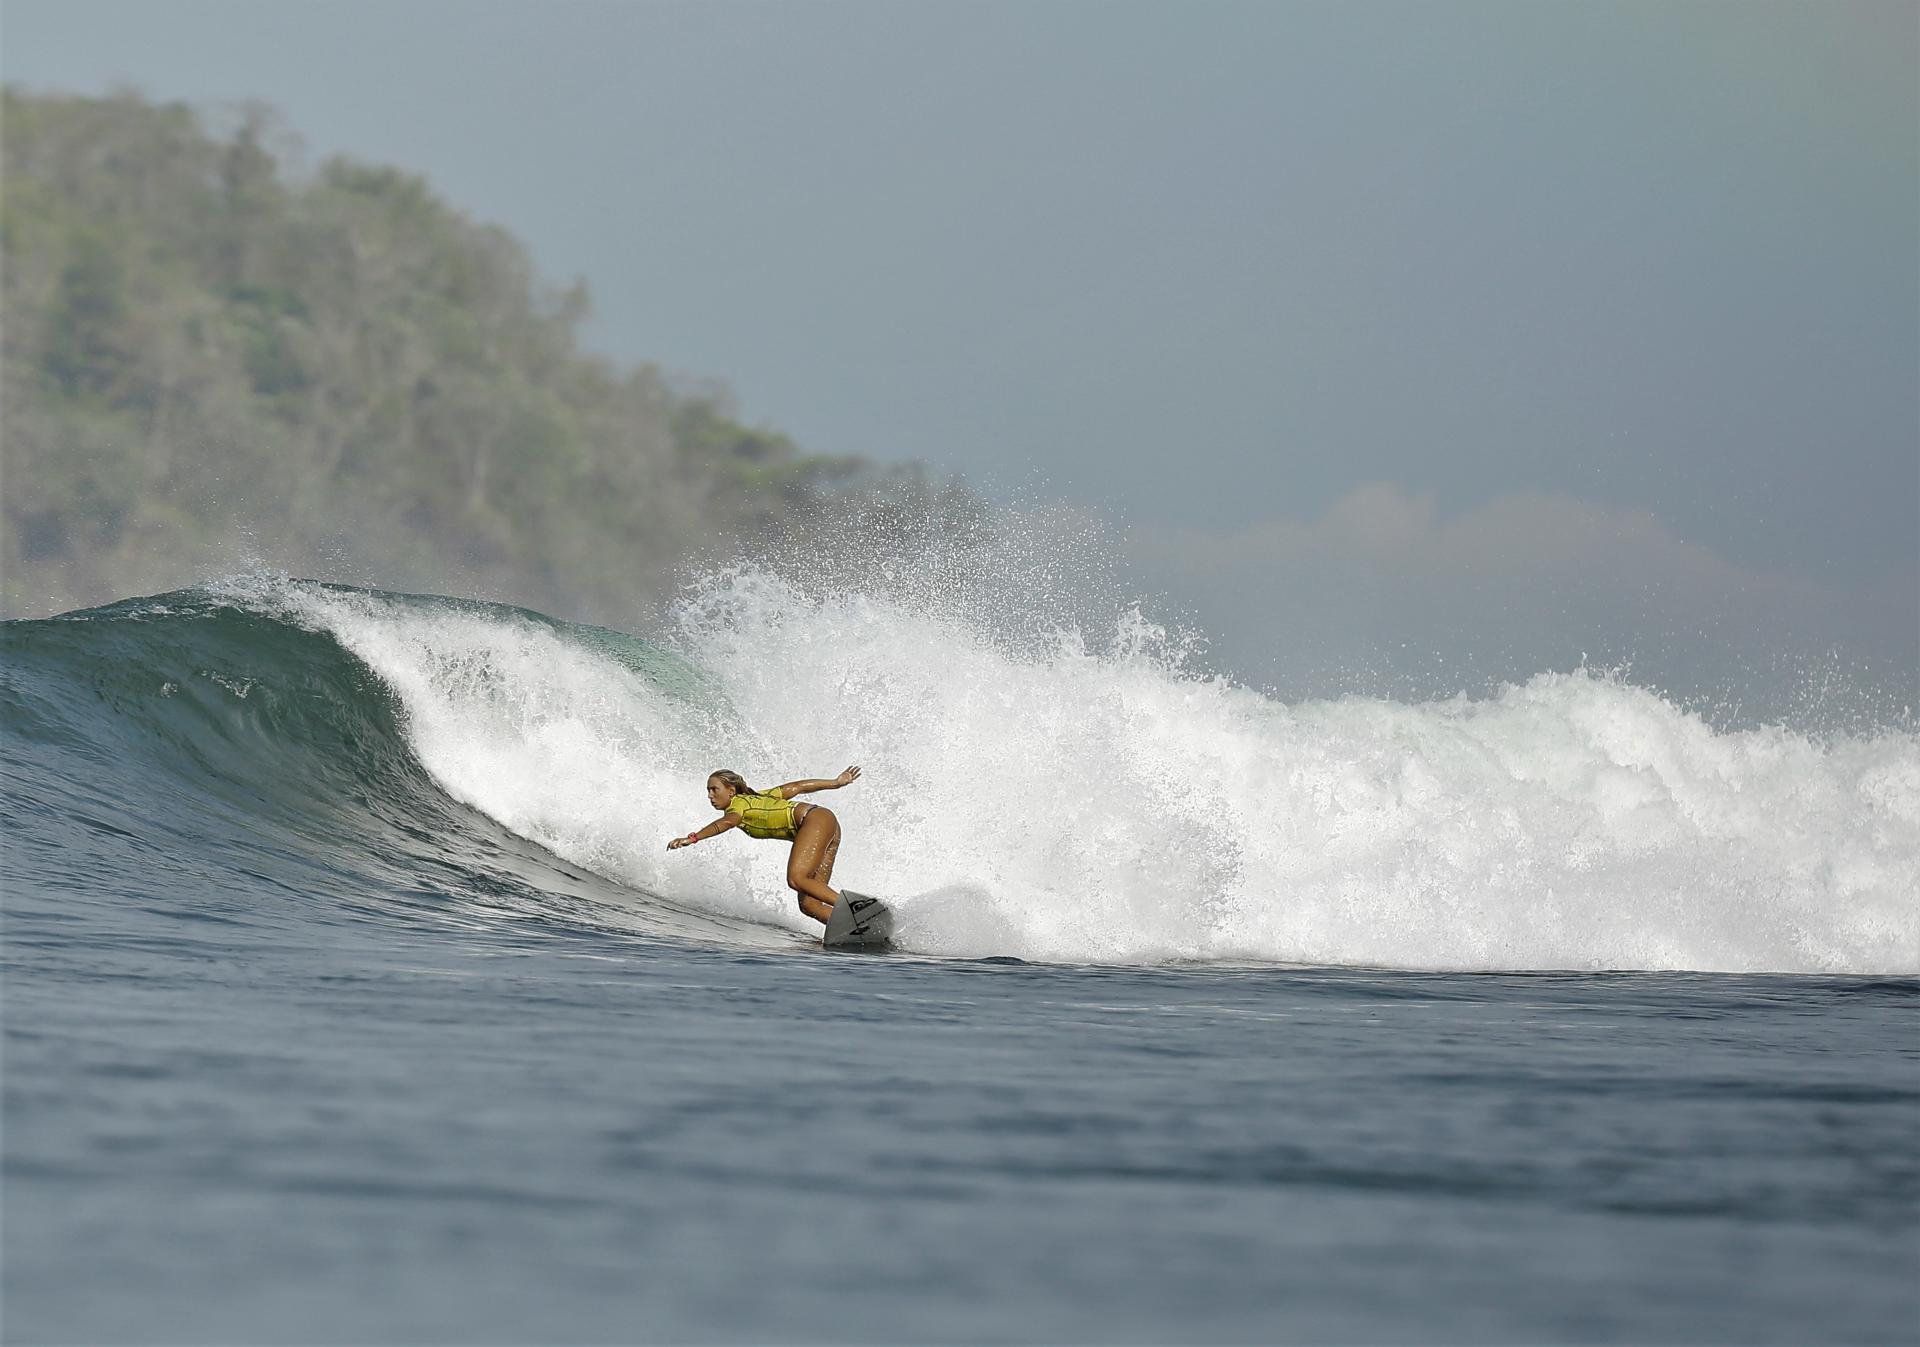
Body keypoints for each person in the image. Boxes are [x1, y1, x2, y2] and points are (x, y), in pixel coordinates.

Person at [667, 765, 862, 925]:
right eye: (708, 790)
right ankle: (856, 926)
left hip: (813, 820)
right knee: (809, 904)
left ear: (731, 791)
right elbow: (797, 787)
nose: (710, 795)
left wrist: (693, 838)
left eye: (714, 789)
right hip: (826, 823)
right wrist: (835, 782)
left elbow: (728, 822)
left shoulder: (738, 804)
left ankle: (857, 908)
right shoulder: (759, 798)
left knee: (796, 878)